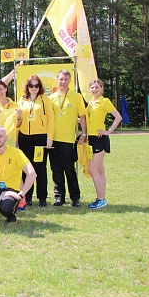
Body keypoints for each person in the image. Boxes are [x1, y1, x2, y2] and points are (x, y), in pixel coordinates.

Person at [49, 69, 87, 207]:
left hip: (68, 140)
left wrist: (84, 133)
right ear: (57, 80)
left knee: (69, 169)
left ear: (70, 80)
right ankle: (59, 197)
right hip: (53, 139)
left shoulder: (76, 96)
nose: (63, 82)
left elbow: (82, 116)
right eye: (61, 79)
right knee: (56, 170)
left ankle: (75, 197)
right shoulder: (51, 98)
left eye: (66, 79)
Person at [17, 75, 54, 208]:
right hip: (24, 138)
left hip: (40, 138)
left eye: (36, 85)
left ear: (40, 87)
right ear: (27, 87)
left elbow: (51, 119)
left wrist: (49, 138)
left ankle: (42, 197)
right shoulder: (21, 100)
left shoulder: (45, 100)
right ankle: (27, 196)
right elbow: (17, 119)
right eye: (31, 85)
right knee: (26, 168)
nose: (34, 88)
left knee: (40, 168)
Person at [86, 79, 122, 209]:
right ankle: (102, 198)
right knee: (100, 170)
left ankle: (100, 200)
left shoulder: (105, 101)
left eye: (97, 87)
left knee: (92, 169)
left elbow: (118, 117)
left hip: (100, 139)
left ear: (102, 88)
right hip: (91, 139)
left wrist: (108, 131)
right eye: (92, 87)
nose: (94, 89)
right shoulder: (90, 103)